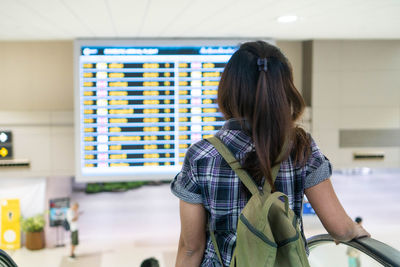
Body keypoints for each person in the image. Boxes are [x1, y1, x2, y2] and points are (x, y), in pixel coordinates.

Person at [170, 41, 370, 267]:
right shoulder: (300, 147)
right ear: (284, 91)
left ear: (229, 89)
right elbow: (340, 228)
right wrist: (354, 228)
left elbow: (191, 248)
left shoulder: (201, 155)